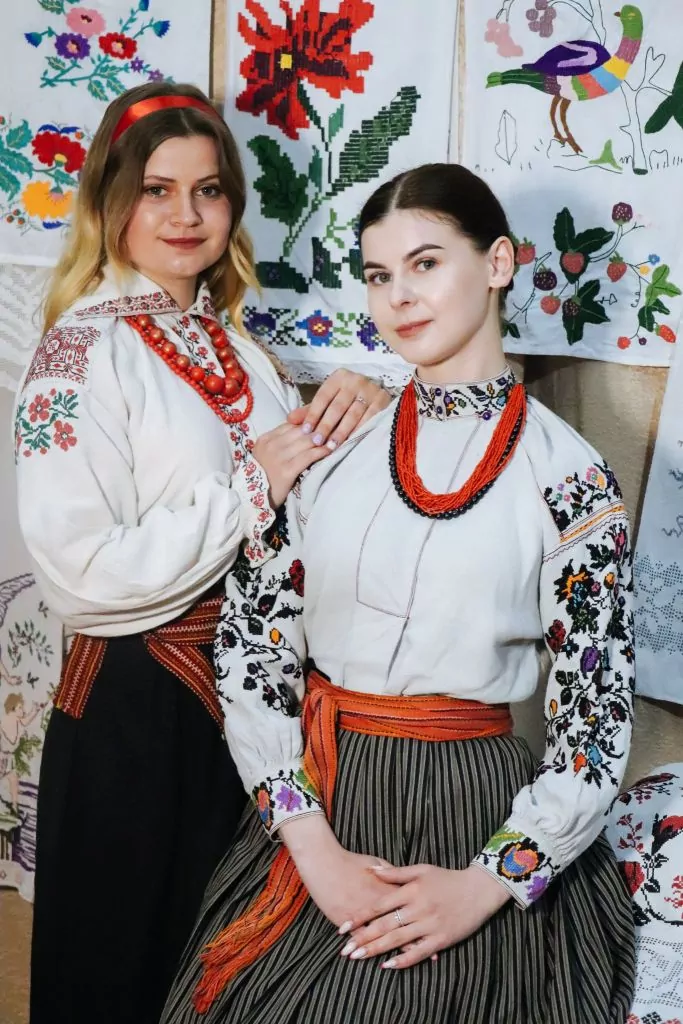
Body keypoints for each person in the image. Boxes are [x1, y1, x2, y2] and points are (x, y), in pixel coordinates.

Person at [162, 163, 637, 1024]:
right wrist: (311, 849)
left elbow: (593, 725)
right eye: (378, 275)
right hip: (319, 798)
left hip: (470, 817)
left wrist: (483, 886)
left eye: (425, 264)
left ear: (497, 263)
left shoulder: (570, 479)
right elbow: (254, 648)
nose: (399, 297)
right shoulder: (331, 446)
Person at [13, 82, 389, 1024]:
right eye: (157, 190)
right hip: (139, 709)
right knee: (124, 980)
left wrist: (358, 413)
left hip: (258, 706)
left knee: (227, 979)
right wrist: (257, 479)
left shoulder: (241, 350)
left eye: (208, 190)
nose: (185, 214)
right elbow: (80, 573)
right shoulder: (80, 354)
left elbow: (298, 511)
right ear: (112, 202)